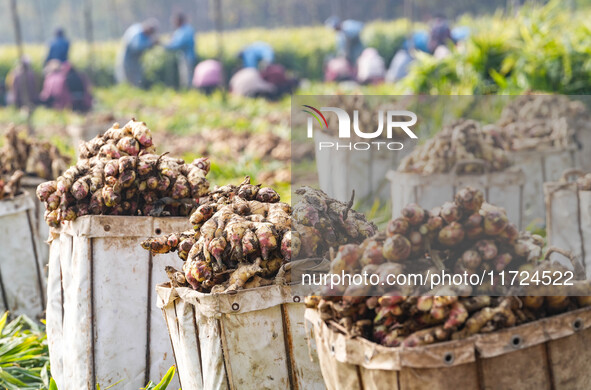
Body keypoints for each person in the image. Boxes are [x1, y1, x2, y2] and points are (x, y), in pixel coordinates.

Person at [115, 18, 159, 88]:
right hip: (128, 61)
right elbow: (136, 47)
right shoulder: (136, 33)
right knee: (128, 81)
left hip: (136, 62)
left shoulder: (143, 33)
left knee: (137, 82)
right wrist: (150, 43)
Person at [164, 12, 196, 89]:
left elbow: (177, 44)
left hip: (188, 57)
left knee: (187, 77)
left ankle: (189, 93)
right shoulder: (181, 30)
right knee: (184, 77)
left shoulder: (186, 30)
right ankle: (186, 92)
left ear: (179, 20)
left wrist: (165, 45)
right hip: (183, 57)